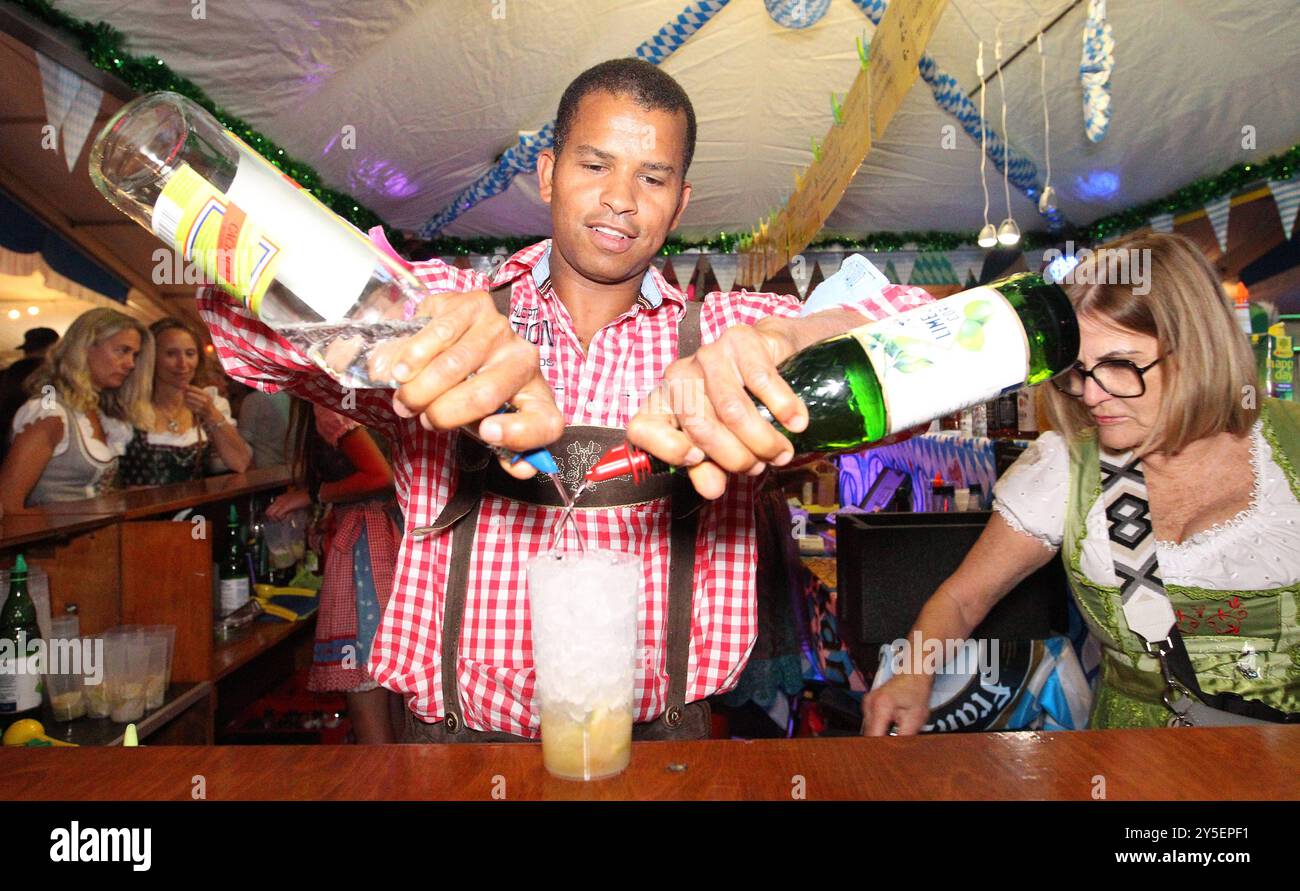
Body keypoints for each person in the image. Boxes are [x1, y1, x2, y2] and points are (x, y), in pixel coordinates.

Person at [197, 58, 933, 743]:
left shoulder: (724, 336)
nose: (620, 198)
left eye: (653, 178)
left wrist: (798, 335)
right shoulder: (445, 312)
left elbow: (938, 335)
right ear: (547, 173)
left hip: (660, 746)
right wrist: (404, 324)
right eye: (595, 164)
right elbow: (235, 323)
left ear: (680, 203)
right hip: (458, 745)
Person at [863, 232, 1300, 734]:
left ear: (1196, 348)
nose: (1091, 396)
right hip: (1131, 761)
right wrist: (912, 675)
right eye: (1077, 370)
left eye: (1119, 365)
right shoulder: (1065, 467)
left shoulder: (1289, 449)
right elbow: (964, 598)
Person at [265, 400, 400, 744]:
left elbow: (379, 475)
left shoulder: (330, 407)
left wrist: (314, 494)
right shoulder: (359, 397)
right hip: (387, 535)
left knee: (364, 677)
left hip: (366, 547)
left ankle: (382, 784)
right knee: (392, 684)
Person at [0, 309, 152, 510]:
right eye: (122, 351)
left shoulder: (95, 410)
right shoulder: (50, 411)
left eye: (135, 355)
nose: (131, 364)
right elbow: (8, 502)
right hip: (54, 539)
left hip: (95, 538)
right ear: (86, 347)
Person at [118, 318, 252, 486]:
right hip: (142, 510)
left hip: (196, 511)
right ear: (150, 358)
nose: (183, 364)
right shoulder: (128, 406)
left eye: (190, 354)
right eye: (171, 354)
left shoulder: (209, 404)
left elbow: (240, 463)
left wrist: (212, 415)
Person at [0, 327, 59, 465]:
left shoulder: (7, 373)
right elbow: (48, 409)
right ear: (52, 348)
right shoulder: (49, 377)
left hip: (5, 439)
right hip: (34, 444)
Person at [238, 389, 291, 469]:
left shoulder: (253, 400)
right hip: (291, 465)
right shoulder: (287, 397)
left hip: (265, 468)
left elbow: (243, 439)